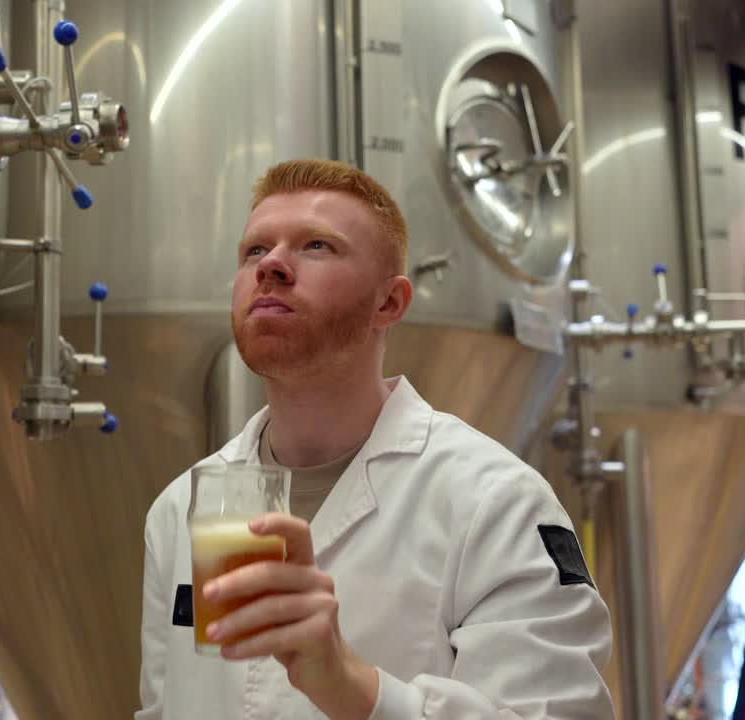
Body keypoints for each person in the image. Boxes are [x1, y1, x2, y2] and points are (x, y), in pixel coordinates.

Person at [136, 159, 614, 719]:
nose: (273, 267)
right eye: (255, 251)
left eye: (316, 246)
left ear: (389, 303)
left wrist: (352, 685)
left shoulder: (495, 502)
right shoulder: (179, 508)